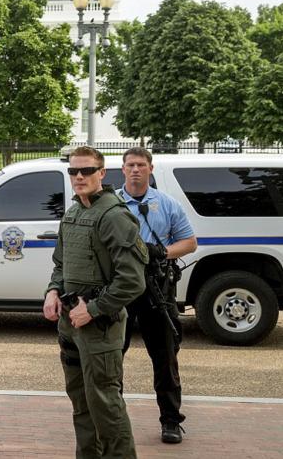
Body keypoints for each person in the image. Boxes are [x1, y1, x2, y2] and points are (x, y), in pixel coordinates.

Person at [43, 145, 148, 459]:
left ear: (102, 173)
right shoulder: (74, 211)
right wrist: (51, 291)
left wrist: (93, 309)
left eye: (86, 170)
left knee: (106, 405)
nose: (79, 176)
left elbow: (132, 280)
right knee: (81, 403)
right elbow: (61, 264)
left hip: (99, 326)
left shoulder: (114, 216)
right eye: (73, 171)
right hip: (71, 323)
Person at [119, 147, 197, 444]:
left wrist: (161, 252)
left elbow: (189, 242)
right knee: (113, 356)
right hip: (120, 287)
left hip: (157, 288)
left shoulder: (166, 204)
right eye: (130, 165)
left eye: (141, 164)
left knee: (165, 357)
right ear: (122, 169)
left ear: (150, 168)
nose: (135, 169)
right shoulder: (111, 203)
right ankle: (114, 419)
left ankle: (171, 421)